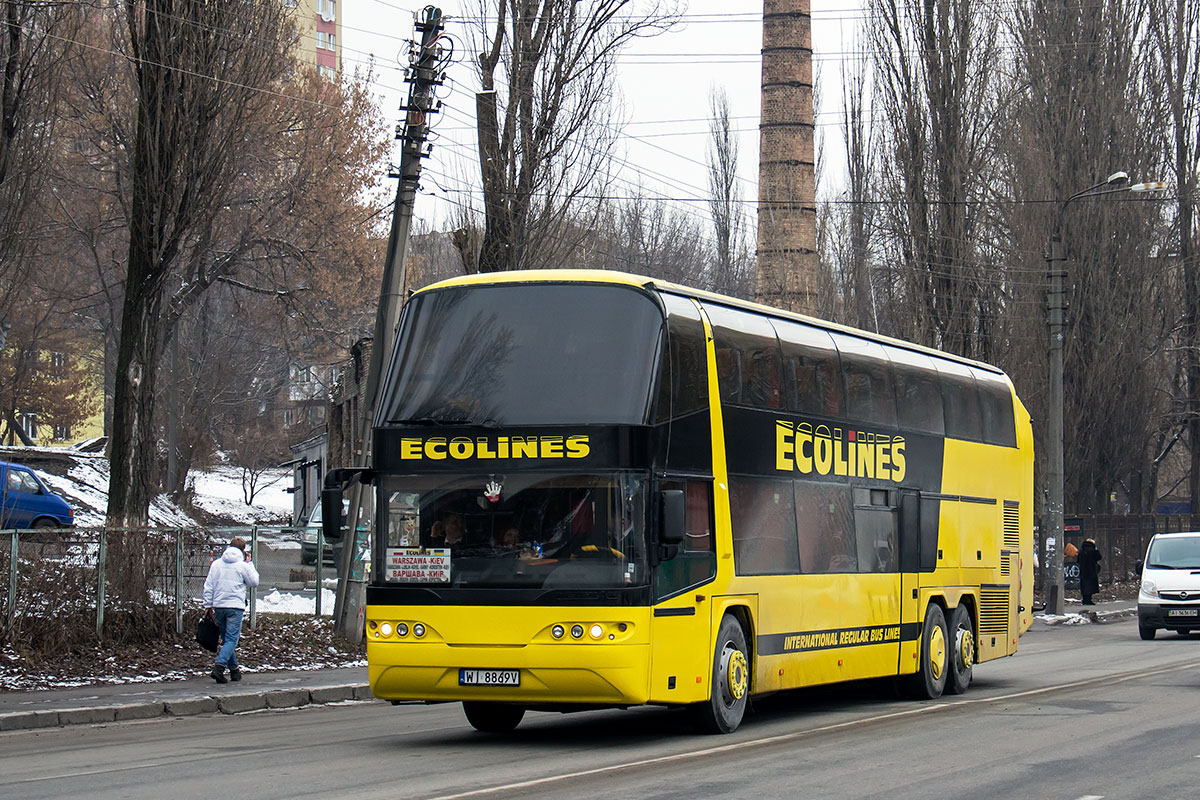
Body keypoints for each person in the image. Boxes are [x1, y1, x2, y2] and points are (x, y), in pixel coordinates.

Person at [202, 536, 260, 684]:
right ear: (243, 550)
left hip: (219, 606)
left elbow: (209, 586)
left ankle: (234, 671)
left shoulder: (216, 564)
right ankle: (219, 667)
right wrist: (250, 563)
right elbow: (254, 582)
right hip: (235, 607)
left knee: (227, 640)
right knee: (232, 640)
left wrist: (208, 605)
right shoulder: (243, 565)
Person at [1078, 538, 1102, 605]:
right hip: (1091, 571)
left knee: (1084, 586)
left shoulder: (1081, 551)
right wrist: (1096, 550)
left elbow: (1078, 560)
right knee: (1090, 586)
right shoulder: (1093, 551)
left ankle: (1085, 599)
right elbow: (1099, 557)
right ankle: (1089, 600)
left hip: (1083, 571)